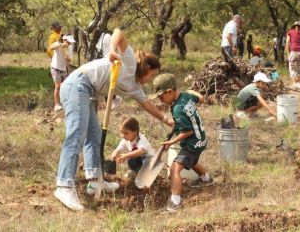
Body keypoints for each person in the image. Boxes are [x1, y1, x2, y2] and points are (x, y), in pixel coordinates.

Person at [54, 28, 174, 211]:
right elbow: (119, 33)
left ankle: (95, 181)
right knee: (77, 133)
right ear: (147, 69)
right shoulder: (130, 63)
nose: (150, 80)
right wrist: (111, 49)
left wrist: (167, 120)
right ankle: (63, 186)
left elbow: (147, 104)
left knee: (93, 137)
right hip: (76, 85)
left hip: (87, 92)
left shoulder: (135, 87)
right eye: (152, 75)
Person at [151, 73, 213, 213]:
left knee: (175, 168)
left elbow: (188, 131)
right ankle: (207, 180)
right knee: (192, 161)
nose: (160, 100)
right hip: (201, 139)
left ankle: (175, 202)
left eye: (161, 97)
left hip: (193, 141)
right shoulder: (186, 96)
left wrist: (172, 141)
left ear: (170, 92)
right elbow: (201, 98)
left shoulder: (178, 108)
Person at [50, 34, 75, 112]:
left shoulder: (70, 48)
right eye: (68, 42)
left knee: (65, 86)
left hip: (63, 69)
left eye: (70, 42)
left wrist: (68, 59)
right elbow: (51, 47)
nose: (70, 43)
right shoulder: (58, 44)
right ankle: (57, 105)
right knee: (58, 86)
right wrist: (61, 45)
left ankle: (65, 102)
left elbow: (69, 59)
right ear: (64, 40)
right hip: (55, 68)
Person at [285, 22, 300, 89]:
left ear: (293, 26)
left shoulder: (290, 32)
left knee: (292, 68)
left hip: (293, 52)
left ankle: (295, 84)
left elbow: (288, 42)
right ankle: (299, 84)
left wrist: (287, 52)